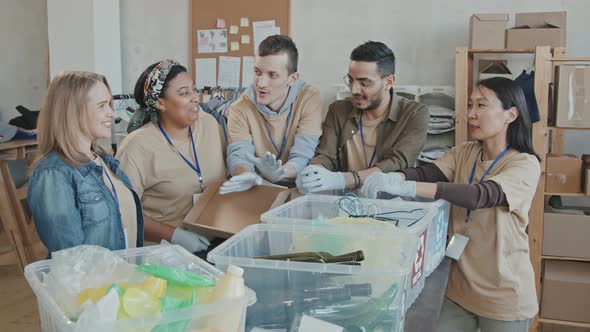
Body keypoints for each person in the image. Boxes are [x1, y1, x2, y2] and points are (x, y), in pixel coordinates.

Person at [361, 77, 540, 332]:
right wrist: (394, 177)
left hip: (504, 296)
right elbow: (427, 173)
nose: (470, 114)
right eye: (469, 105)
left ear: (510, 114)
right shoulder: (465, 152)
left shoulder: (524, 164)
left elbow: (480, 196)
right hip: (460, 291)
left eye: (481, 105)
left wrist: (406, 187)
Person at [28, 71, 144, 255]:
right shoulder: (53, 173)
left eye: (109, 104)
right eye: (101, 106)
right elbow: (70, 256)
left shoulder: (103, 159)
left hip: (121, 279)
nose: (111, 113)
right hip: (95, 283)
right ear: (74, 111)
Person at [116, 60, 226, 253]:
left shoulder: (209, 125)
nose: (195, 98)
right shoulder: (137, 147)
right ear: (160, 103)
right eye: (184, 93)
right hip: (162, 254)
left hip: (214, 243)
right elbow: (124, 212)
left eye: (194, 90)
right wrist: (174, 234)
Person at [296, 41, 429, 194]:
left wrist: (342, 179)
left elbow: (398, 162)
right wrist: (314, 173)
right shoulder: (338, 110)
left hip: (393, 205)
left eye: (365, 83)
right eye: (351, 80)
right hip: (345, 204)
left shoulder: (414, 114)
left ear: (389, 82)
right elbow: (326, 155)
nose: (354, 90)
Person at [219, 35, 323, 194]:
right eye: (257, 72)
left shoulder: (309, 98)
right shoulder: (239, 108)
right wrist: (245, 174)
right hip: (258, 190)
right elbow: (238, 154)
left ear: (292, 79)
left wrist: (281, 173)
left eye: (272, 75)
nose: (261, 83)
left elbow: (304, 154)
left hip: (300, 191)